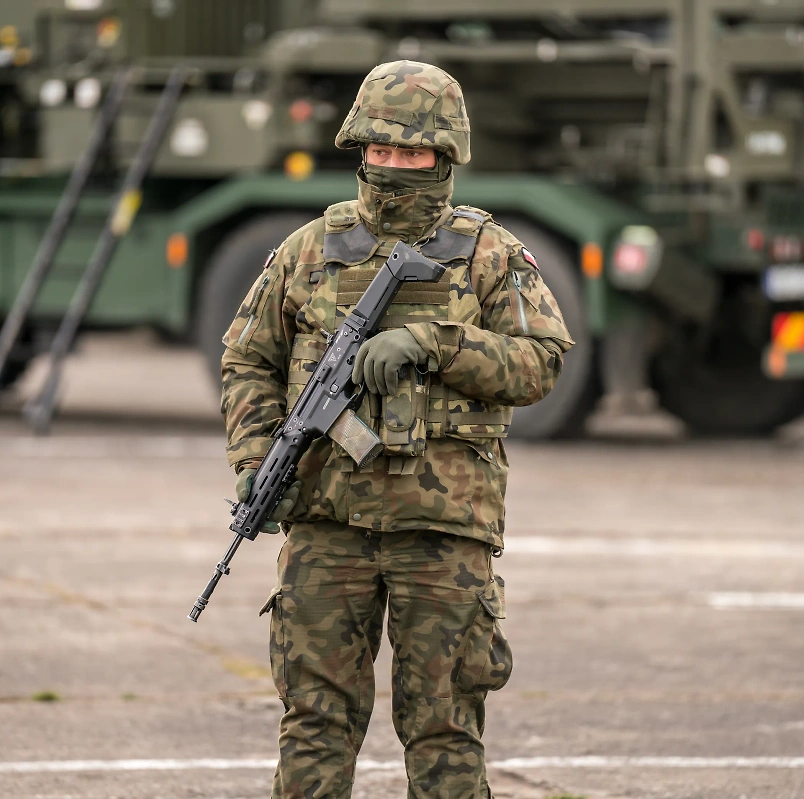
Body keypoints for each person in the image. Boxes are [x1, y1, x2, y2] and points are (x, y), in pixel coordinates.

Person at [219, 60, 573, 799]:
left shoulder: (488, 254)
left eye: (409, 154)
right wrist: (257, 456)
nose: (390, 169)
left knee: (444, 730)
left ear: (444, 158)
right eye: (378, 152)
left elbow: (541, 362)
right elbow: (248, 357)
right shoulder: (309, 251)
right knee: (314, 721)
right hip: (326, 526)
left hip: (442, 533)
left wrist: (437, 344)